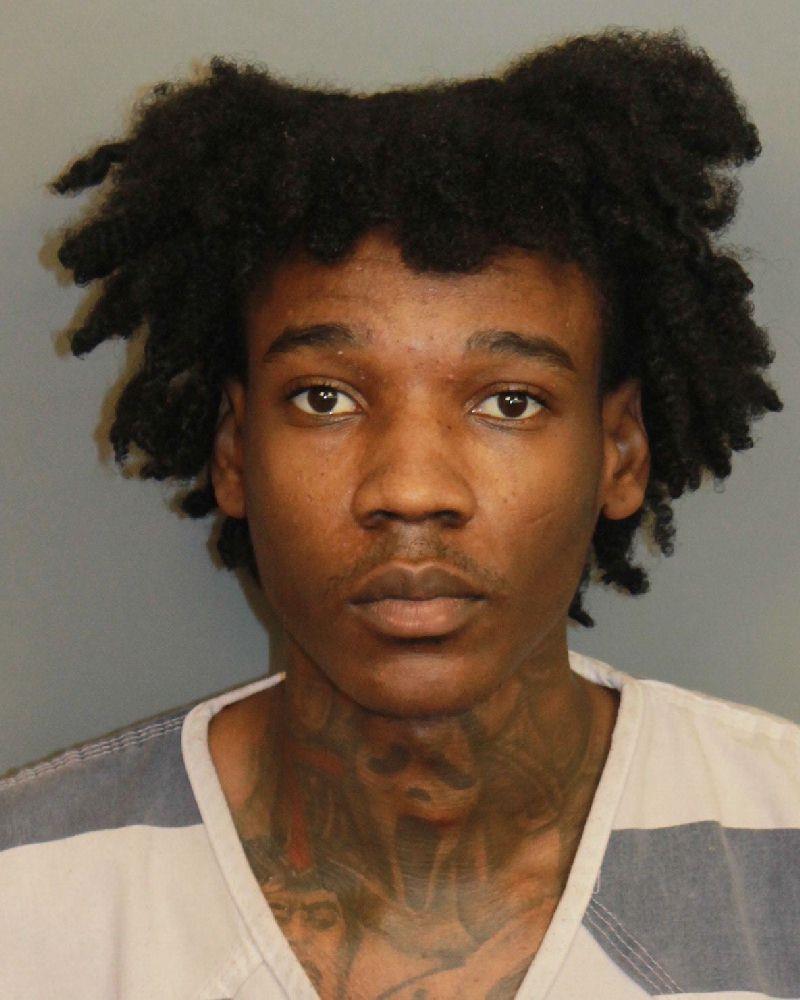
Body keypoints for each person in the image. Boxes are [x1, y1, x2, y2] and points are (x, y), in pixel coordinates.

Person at [0, 25, 796, 1000]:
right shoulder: (27, 896)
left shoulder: (781, 853)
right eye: (324, 398)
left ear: (618, 453)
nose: (412, 489)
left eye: (510, 402)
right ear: (235, 451)